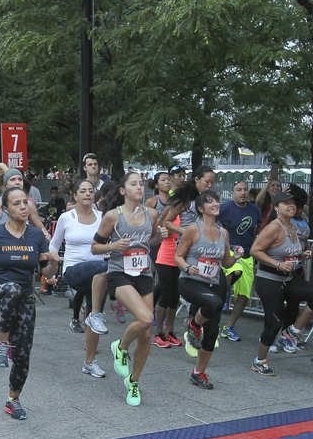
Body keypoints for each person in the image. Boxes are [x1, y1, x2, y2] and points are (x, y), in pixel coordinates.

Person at [0, 187, 60, 419]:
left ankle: (13, 400)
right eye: (16, 204)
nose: (23, 207)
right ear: (5, 209)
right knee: (12, 287)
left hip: (24, 300)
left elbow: (44, 270)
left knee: (23, 353)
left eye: (25, 203)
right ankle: (1, 345)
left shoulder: (36, 236)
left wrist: (53, 265)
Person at [92, 171, 163, 406]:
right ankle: (120, 346)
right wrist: (114, 245)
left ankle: (134, 381)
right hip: (119, 273)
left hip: (143, 273)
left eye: (141, 184)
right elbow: (94, 247)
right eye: (134, 184)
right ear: (123, 191)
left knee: (146, 332)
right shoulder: (113, 216)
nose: (139, 188)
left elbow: (150, 240)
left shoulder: (151, 214)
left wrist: (159, 236)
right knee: (145, 318)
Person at [249, 189, 313, 376]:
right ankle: (259, 361)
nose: (291, 206)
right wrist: (278, 264)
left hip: (288, 279)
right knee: (273, 323)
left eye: (293, 204)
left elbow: (286, 252)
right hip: (269, 281)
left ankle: (292, 331)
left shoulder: (293, 226)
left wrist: (302, 255)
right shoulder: (274, 227)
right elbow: (255, 250)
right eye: (286, 204)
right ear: (277, 208)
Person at [174, 190, 236, 388]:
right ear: (201, 209)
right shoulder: (193, 229)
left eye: (216, 201)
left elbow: (225, 263)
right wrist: (186, 267)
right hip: (191, 281)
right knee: (214, 303)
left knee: (212, 332)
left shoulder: (223, 232)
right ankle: (193, 325)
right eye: (210, 202)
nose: (215, 204)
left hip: (213, 283)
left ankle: (198, 373)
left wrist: (236, 257)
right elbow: (178, 256)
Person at [48, 179, 109, 376]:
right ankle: (97, 313)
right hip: (74, 270)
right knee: (103, 267)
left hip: (99, 277)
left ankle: (90, 362)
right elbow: (53, 246)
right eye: (83, 191)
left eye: (91, 191)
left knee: (93, 315)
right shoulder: (67, 217)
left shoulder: (102, 217)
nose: (87, 194)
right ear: (75, 196)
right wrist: (52, 264)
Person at [156, 168, 216, 347]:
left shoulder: (206, 201)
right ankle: (158, 333)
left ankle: (172, 330)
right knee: (168, 295)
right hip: (172, 253)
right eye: (207, 181)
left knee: (177, 296)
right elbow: (164, 222)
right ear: (197, 180)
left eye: (212, 182)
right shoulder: (184, 201)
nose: (210, 185)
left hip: (194, 253)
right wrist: (185, 231)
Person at [218, 179, 264, 341]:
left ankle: (229, 326)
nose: (242, 193)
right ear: (232, 193)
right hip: (228, 253)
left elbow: (256, 228)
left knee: (244, 295)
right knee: (234, 271)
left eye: (245, 189)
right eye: (238, 190)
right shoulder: (224, 208)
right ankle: (223, 294)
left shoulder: (254, 209)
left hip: (247, 255)